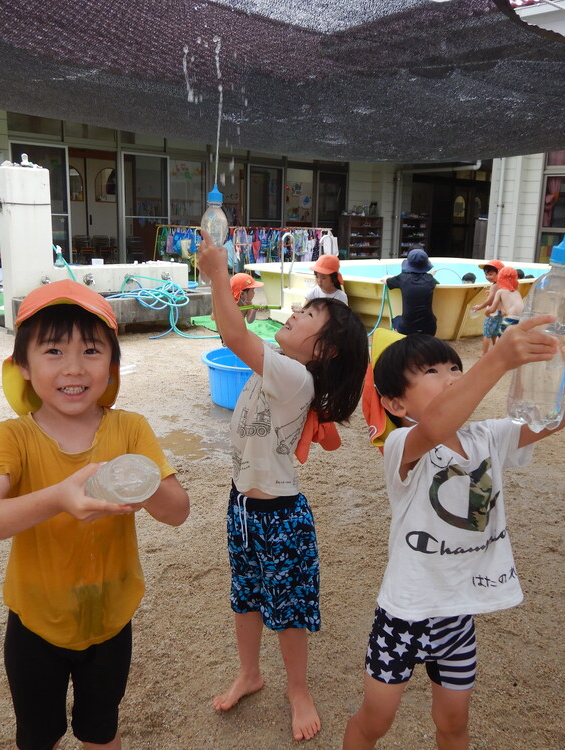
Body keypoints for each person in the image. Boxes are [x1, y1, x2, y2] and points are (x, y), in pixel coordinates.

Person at [0, 280, 190, 750]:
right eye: (52, 351)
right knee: (38, 736)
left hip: (111, 618)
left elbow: (177, 512)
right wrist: (58, 497)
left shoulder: (130, 429)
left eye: (90, 350)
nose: (73, 368)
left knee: (100, 729)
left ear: (112, 365)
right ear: (22, 366)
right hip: (35, 624)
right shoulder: (13, 438)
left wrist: (139, 482)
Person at [347, 316, 565, 750]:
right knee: (375, 720)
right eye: (432, 373)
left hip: (458, 615)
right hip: (405, 616)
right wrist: (496, 359)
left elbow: (552, 422)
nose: (451, 378)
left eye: (454, 368)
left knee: (455, 722)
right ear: (396, 405)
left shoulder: (487, 436)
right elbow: (438, 424)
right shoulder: (403, 447)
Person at [197, 230, 369, 742]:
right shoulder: (277, 364)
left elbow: (233, 336)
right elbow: (240, 339)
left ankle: (299, 689)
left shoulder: (297, 378)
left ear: (327, 351)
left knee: (289, 608)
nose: (294, 314)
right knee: (245, 596)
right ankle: (250, 673)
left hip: (280, 516)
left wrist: (219, 275)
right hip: (243, 508)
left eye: (308, 316)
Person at [386, 249, 438, 336]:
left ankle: (401, 340)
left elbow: (387, 282)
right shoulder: (430, 280)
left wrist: (386, 278)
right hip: (430, 328)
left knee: (395, 320)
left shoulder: (402, 278)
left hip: (407, 329)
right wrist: (430, 275)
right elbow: (428, 279)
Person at [468, 259, 503, 355]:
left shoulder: (495, 286)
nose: (488, 277)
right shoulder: (502, 284)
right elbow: (498, 297)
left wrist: (479, 307)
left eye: (490, 274)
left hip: (492, 313)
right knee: (495, 333)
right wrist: (490, 293)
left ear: (499, 272)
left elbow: (490, 301)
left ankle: (484, 353)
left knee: (487, 334)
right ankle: (496, 350)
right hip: (500, 313)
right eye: (486, 274)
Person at [484, 266, 524, 338]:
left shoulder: (500, 291)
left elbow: (492, 309)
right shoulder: (517, 292)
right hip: (523, 319)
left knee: (500, 338)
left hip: (512, 319)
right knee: (514, 339)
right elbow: (510, 309)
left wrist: (487, 312)